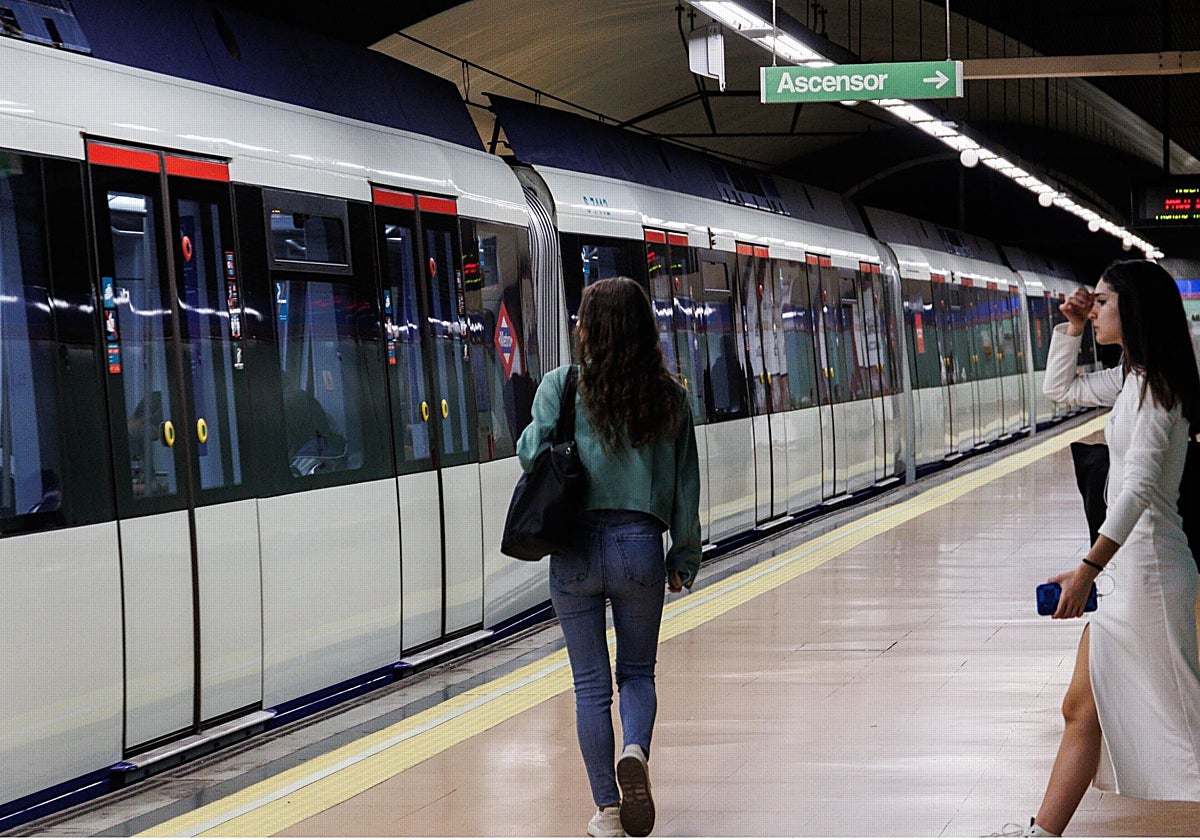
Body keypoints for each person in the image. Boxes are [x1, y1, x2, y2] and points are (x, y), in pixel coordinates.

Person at [516, 277, 701, 838]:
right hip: (639, 544)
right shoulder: (671, 396)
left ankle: (608, 810)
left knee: (590, 686)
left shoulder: (561, 386)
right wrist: (684, 557)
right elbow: (686, 488)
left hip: (572, 548)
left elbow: (529, 455)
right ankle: (636, 752)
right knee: (638, 673)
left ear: (589, 329)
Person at [1020, 260, 1200, 837]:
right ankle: (1040, 834)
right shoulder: (1132, 380)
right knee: (1082, 706)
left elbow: (1140, 488)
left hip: (1148, 574)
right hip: (1128, 571)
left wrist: (1088, 568)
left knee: (1184, 719)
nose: (1091, 310)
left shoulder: (1155, 389)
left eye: (1100, 303)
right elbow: (1059, 389)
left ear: (1134, 309)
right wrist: (1068, 330)